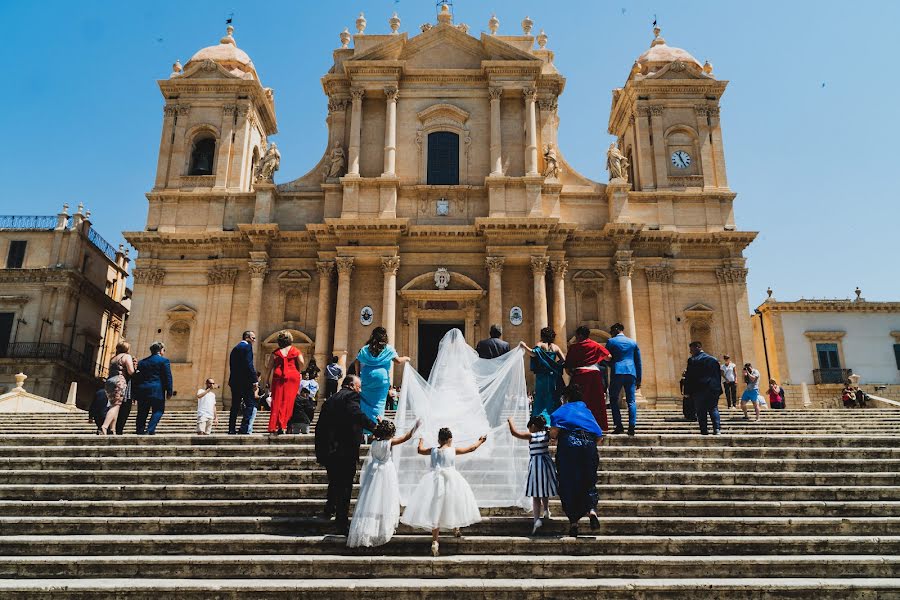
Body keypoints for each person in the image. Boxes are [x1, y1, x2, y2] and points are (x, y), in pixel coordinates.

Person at [400, 427, 487, 557]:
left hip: (434, 480)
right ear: (450, 439)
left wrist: (421, 440)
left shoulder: (433, 450)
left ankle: (435, 541)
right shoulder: (453, 450)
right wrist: (480, 441)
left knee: (436, 509)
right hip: (451, 479)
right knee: (454, 502)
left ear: (438, 439)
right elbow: (471, 448)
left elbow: (420, 450)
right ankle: (456, 527)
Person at [314, 375, 378, 534]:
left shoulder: (331, 399)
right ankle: (341, 520)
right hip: (344, 449)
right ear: (351, 386)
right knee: (345, 485)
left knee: (335, 480)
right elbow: (357, 415)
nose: (360, 390)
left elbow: (320, 426)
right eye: (358, 386)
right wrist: (375, 428)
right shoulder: (351, 396)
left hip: (329, 449)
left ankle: (329, 508)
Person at [347, 419, 419, 548]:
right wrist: (416, 426)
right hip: (385, 472)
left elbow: (379, 432)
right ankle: (383, 526)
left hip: (373, 472)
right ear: (391, 433)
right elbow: (406, 437)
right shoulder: (389, 442)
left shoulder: (374, 441)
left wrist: (381, 421)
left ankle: (367, 528)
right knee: (386, 498)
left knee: (370, 500)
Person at [549, 385, 603, 537]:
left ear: (565, 398)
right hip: (589, 446)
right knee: (588, 480)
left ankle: (573, 522)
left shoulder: (562, 410)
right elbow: (599, 436)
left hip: (569, 446)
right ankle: (592, 510)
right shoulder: (586, 412)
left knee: (568, 482)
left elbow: (553, 434)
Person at [508, 414, 558, 535]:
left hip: (536, 464)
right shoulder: (546, 434)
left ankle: (536, 519)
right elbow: (555, 434)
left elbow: (514, 433)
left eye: (529, 427)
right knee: (544, 489)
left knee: (536, 494)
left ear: (534, 426)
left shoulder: (531, 436)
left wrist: (510, 421)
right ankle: (546, 510)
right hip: (546, 463)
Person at [354, 327, 410, 429]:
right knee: (379, 404)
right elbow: (398, 361)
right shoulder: (388, 348)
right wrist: (406, 358)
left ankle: (365, 428)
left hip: (366, 377)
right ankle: (376, 428)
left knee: (365, 403)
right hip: (381, 379)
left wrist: (358, 375)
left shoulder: (365, 348)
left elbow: (357, 361)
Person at [564, 325, 611, 432]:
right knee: (596, 402)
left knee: (578, 400)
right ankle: (599, 425)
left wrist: (572, 374)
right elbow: (609, 357)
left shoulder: (574, 347)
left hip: (580, 374)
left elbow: (567, 367)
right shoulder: (595, 345)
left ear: (580, 335)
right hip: (594, 375)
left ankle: (577, 423)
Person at [518, 327, 566, 418]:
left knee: (541, 396)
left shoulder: (540, 344)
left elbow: (533, 353)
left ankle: (540, 418)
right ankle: (552, 417)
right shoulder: (556, 347)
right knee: (551, 396)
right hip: (552, 377)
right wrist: (554, 365)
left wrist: (524, 346)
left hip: (542, 376)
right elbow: (563, 360)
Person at [605, 323, 641, 436]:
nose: (611, 333)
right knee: (631, 400)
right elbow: (638, 362)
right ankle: (632, 426)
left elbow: (605, 357)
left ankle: (619, 425)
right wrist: (639, 378)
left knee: (613, 399)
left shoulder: (611, 341)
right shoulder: (632, 342)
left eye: (611, 331)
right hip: (631, 372)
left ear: (616, 329)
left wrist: (611, 364)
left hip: (617, 371)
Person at [266, 331, 305, 436]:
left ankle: (277, 425)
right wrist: (298, 371)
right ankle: (285, 425)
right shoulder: (295, 350)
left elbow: (269, 367)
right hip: (293, 375)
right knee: (289, 401)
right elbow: (301, 362)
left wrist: (266, 380)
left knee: (277, 401)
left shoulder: (275, 352)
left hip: (278, 375)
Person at [133, 341, 173, 435]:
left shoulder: (142, 362)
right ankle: (150, 429)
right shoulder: (164, 361)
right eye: (164, 350)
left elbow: (137, 378)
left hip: (142, 390)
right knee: (158, 410)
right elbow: (168, 377)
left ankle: (139, 430)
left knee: (142, 411)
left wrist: (135, 393)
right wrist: (169, 391)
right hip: (157, 390)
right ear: (160, 350)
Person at [683, 341, 723, 435]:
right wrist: (718, 389)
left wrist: (687, 391)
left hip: (698, 390)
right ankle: (717, 429)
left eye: (691, 349)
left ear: (697, 347)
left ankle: (704, 430)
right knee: (713, 409)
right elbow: (718, 376)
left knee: (701, 410)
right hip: (713, 389)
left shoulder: (692, 360)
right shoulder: (713, 360)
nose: (690, 352)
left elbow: (689, 377)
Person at [99, 341, 136, 435]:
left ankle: (113, 429)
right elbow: (131, 371)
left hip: (109, 381)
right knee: (116, 405)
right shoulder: (126, 357)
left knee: (114, 405)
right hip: (119, 381)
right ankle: (104, 426)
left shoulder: (113, 358)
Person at [228, 331, 259, 435]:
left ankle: (231, 429)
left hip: (234, 381)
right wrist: (255, 380)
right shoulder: (247, 347)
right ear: (247, 337)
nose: (254, 341)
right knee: (250, 404)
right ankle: (244, 428)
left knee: (235, 406)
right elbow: (249, 364)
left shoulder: (235, 348)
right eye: (253, 338)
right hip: (245, 382)